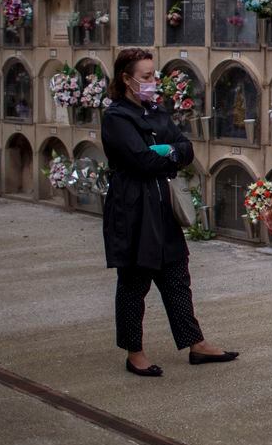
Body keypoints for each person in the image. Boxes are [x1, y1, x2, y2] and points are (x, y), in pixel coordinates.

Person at [102, 47, 238, 377]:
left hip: (163, 207)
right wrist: (166, 152)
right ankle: (134, 352)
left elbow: (186, 149)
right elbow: (141, 161)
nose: (153, 82)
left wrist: (166, 150)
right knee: (134, 283)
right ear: (127, 79)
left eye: (154, 75)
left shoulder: (155, 111)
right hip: (134, 210)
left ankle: (195, 344)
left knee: (177, 275)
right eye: (146, 77)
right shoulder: (116, 118)